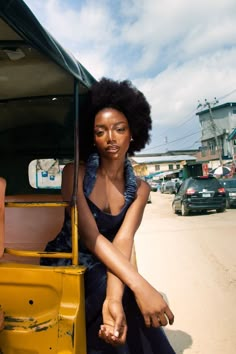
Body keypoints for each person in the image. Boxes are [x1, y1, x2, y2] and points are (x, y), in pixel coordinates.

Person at [41, 78, 176, 354]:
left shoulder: (140, 189)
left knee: (121, 294)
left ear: (133, 134)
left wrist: (114, 299)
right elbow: (91, 238)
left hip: (108, 265)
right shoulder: (73, 175)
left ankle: (114, 332)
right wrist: (142, 287)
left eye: (119, 129)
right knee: (128, 290)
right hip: (68, 260)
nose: (111, 138)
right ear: (92, 137)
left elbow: (123, 240)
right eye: (101, 131)